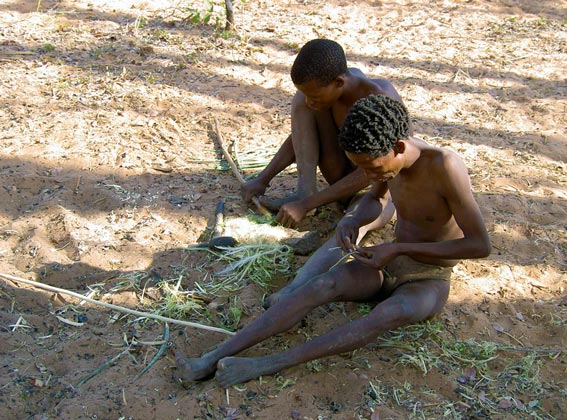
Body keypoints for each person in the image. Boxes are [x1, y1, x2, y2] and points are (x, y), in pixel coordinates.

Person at [176, 95, 491, 388]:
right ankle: (211, 357)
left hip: (428, 279)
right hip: (387, 263)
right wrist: (352, 220)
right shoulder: (385, 167)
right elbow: (374, 199)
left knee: (387, 314)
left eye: (372, 167)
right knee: (319, 286)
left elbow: (479, 245)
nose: (368, 174)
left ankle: (267, 363)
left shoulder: (444, 166)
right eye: (363, 167)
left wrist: (398, 247)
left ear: (397, 147)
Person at [241, 39, 406, 227]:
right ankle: (305, 189)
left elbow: (375, 170)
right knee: (301, 101)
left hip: (375, 186)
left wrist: (306, 205)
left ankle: (318, 202)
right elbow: (302, 136)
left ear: (339, 82)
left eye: (315, 97)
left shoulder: (378, 101)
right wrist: (263, 179)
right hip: (341, 171)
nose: (310, 101)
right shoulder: (329, 86)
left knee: (358, 217)